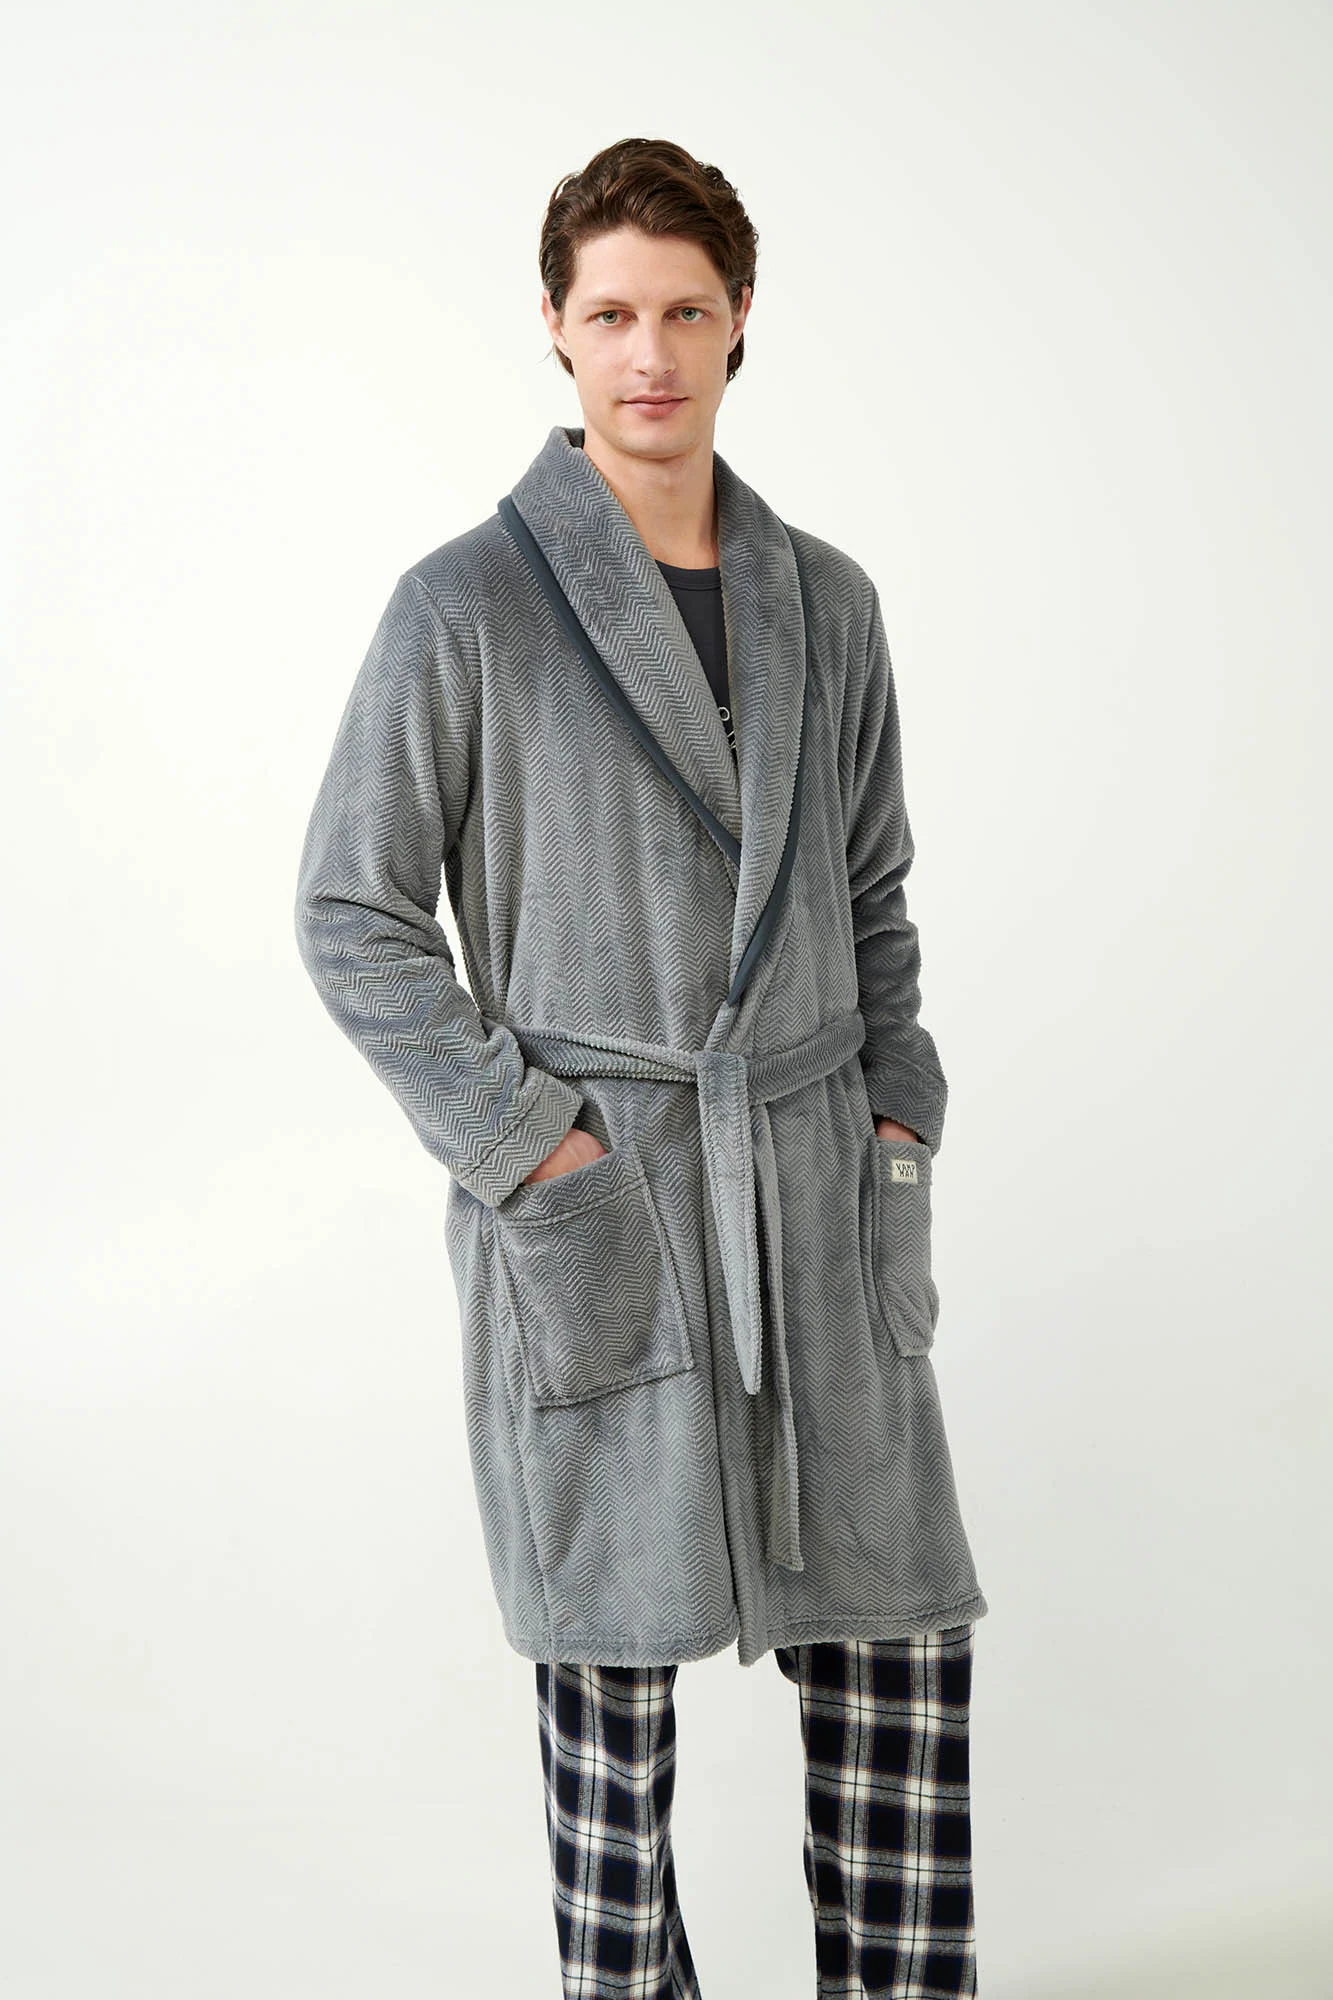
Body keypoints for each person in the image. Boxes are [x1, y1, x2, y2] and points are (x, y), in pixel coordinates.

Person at [295, 135, 988, 1999]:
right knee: (609, 1700)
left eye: (686, 312)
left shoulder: (828, 602)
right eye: (611, 314)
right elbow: (352, 912)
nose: (650, 355)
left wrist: (896, 1127)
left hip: (821, 1182)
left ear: (742, 319)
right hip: (610, 1199)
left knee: (900, 1652)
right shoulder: (466, 608)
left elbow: (875, 897)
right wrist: (540, 1153)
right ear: (554, 326)